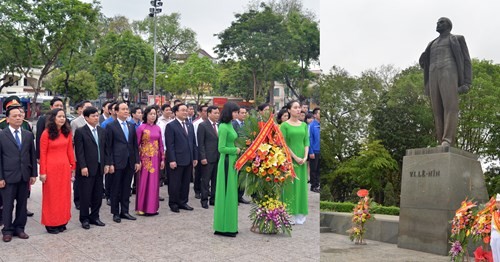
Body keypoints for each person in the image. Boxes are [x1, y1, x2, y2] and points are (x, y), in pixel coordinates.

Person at [419, 17, 472, 147]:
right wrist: (422, 60)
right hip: (433, 74)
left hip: (449, 72)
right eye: (437, 22)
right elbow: (424, 63)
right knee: (437, 111)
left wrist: (467, 83)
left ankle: (447, 139)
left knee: (450, 107)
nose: (437, 24)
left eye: (441, 22)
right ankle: (441, 140)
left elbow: (466, 61)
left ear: (448, 25)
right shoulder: (431, 43)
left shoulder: (457, 39)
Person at [0, 104, 37, 242]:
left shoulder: (27, 135)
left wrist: (33, 174)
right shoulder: (2, 135)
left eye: (20, 115)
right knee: (8, 205)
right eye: (14, 116)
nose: (18, 118)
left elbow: (32, 155)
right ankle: (7, 230)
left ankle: (20, 228)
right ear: (7, 119)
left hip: (24, 175)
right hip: (8, 177)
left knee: (22, 205)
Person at [39, 108, 76, 234]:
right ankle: (51, 223)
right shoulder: (46, 133)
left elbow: (70, 150)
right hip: (51, 169)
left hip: (64, 168)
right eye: (59, 116)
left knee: (64, 196)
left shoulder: (67, 132)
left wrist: (73, 166)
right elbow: (42, 154)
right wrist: (42, 172)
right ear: (53, 118)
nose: (62, 119)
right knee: (51, 197)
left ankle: (62, 221)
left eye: (63, 117)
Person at [105, 102, 140, 223]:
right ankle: (115, 213)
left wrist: (137, 161)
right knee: (116, 188)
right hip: (117, 162)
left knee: (126, 188)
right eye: (123, 109)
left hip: (130, 162)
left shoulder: (131, 126)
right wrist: (110, 163)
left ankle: (125, 211)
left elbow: (135, 145)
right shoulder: (111, 126)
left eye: (127, 109)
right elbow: (108, 147)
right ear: (116, 111)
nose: (126, 111)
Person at [74, 107, 108, 229]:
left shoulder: (101, 131)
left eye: (97, 115)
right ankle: (84, 218)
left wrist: (106, 164)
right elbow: (79, 151)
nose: (96, 117)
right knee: (85, 195)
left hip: (99, 167)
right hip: (87, 168)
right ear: (86, 118)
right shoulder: (80, 131)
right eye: (93, 116)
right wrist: (83, 166)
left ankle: (95, 216)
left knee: (98, 194)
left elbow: (105, 150)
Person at [214, 102, 241, 237]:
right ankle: (222, 226)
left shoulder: (231, 124)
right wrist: (235, 150)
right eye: (235, 112)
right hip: (226, 161)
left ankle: (230, 225)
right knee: (225, 193)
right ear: (229, 112)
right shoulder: (223, 127)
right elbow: (221, 148)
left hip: (232, 162)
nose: (237, 114)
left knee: (231, 193)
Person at [280, 100, 310, 225]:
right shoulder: (285, 126)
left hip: (302, 160)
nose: (298, 110)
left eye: (299, 108)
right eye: (295, 107)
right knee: (290, 187)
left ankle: (300, 213)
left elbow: (306, 141)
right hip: (289, 161)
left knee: (301, 187)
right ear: (289, 110)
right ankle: (289, 213)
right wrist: (295, 157)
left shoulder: (303, 125)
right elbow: (283, 143)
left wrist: (305, 156)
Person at [165, 103, 198, 213]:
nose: (185, 112)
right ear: (176, 112)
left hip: (188, 159)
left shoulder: (189, 125)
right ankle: (173, 203)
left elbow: (193, 143)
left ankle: (183, 202)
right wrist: (172, 160)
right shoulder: (171, 126)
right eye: (183, 110)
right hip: (177, 159)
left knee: (185, 183)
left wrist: (195, 157)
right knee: (175, 183)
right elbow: (170, 145)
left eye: (186, 110)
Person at [136, 106, 164, 216]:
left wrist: (162, 159)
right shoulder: (141, 128)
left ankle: (152, 208)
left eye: (154, 114)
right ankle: (142, 207)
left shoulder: (158, 128)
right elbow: (136, 145)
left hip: (156, 159)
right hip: (145, 159)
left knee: (154, 184)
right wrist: (138, 160)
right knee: (144, 183)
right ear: (146, 115)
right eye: (151, 114)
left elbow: (161, 144)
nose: (153, 116)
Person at [70, 100, 93, 210]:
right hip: (79, 154)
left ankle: (88, 200)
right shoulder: (75, 122)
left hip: (91, 155)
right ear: (81, 109)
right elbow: (73, 139)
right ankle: (78, 200)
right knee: (78, 179)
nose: (89, 108)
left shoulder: (94, 121)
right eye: (87, 107)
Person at [197, 106, 220, 209]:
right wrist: (202, 157)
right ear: (209, 114)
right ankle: (204, 200)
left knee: (215, 180)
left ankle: (213, 199)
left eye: (218, 113)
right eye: (215, 113)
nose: (217, 115)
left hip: (218, 157)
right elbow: (200, 143)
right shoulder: (203, 125)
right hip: (207, 157)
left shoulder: (220, 125)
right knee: (205, 180)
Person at [232, 107, 250, 204]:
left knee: (243, 176)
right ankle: (234, 196)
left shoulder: (248, 124)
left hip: (246, 153)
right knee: (236, 176)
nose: (244, 114)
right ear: (237, 114)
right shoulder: (233, 124)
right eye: (242, 113)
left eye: (245, 113)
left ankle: (240, 195)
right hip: (236, 153)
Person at [192, 104, 208, 199]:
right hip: (198, 149)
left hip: (209, 150)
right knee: (198, 172)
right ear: (200, 112)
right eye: (204, 111)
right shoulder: (196, 123)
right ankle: (197, 190)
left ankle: (206, 189)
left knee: (207, 172)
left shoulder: (213, 123)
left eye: (207, 111)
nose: (206, 113)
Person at [308, 108, 320, 193]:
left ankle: (318, 185)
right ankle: (313, 186)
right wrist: (311, 151)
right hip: (314, 151)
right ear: (315, 115)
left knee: (319, 169)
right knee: (313, 169)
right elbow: (309, 139)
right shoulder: (311, 126)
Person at [492, 193, 500, 261]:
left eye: (499, 202)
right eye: (497, 202)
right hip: (494, 236)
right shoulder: (494, 213)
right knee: (495, 254)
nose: (497, 204)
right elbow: (492, 227)